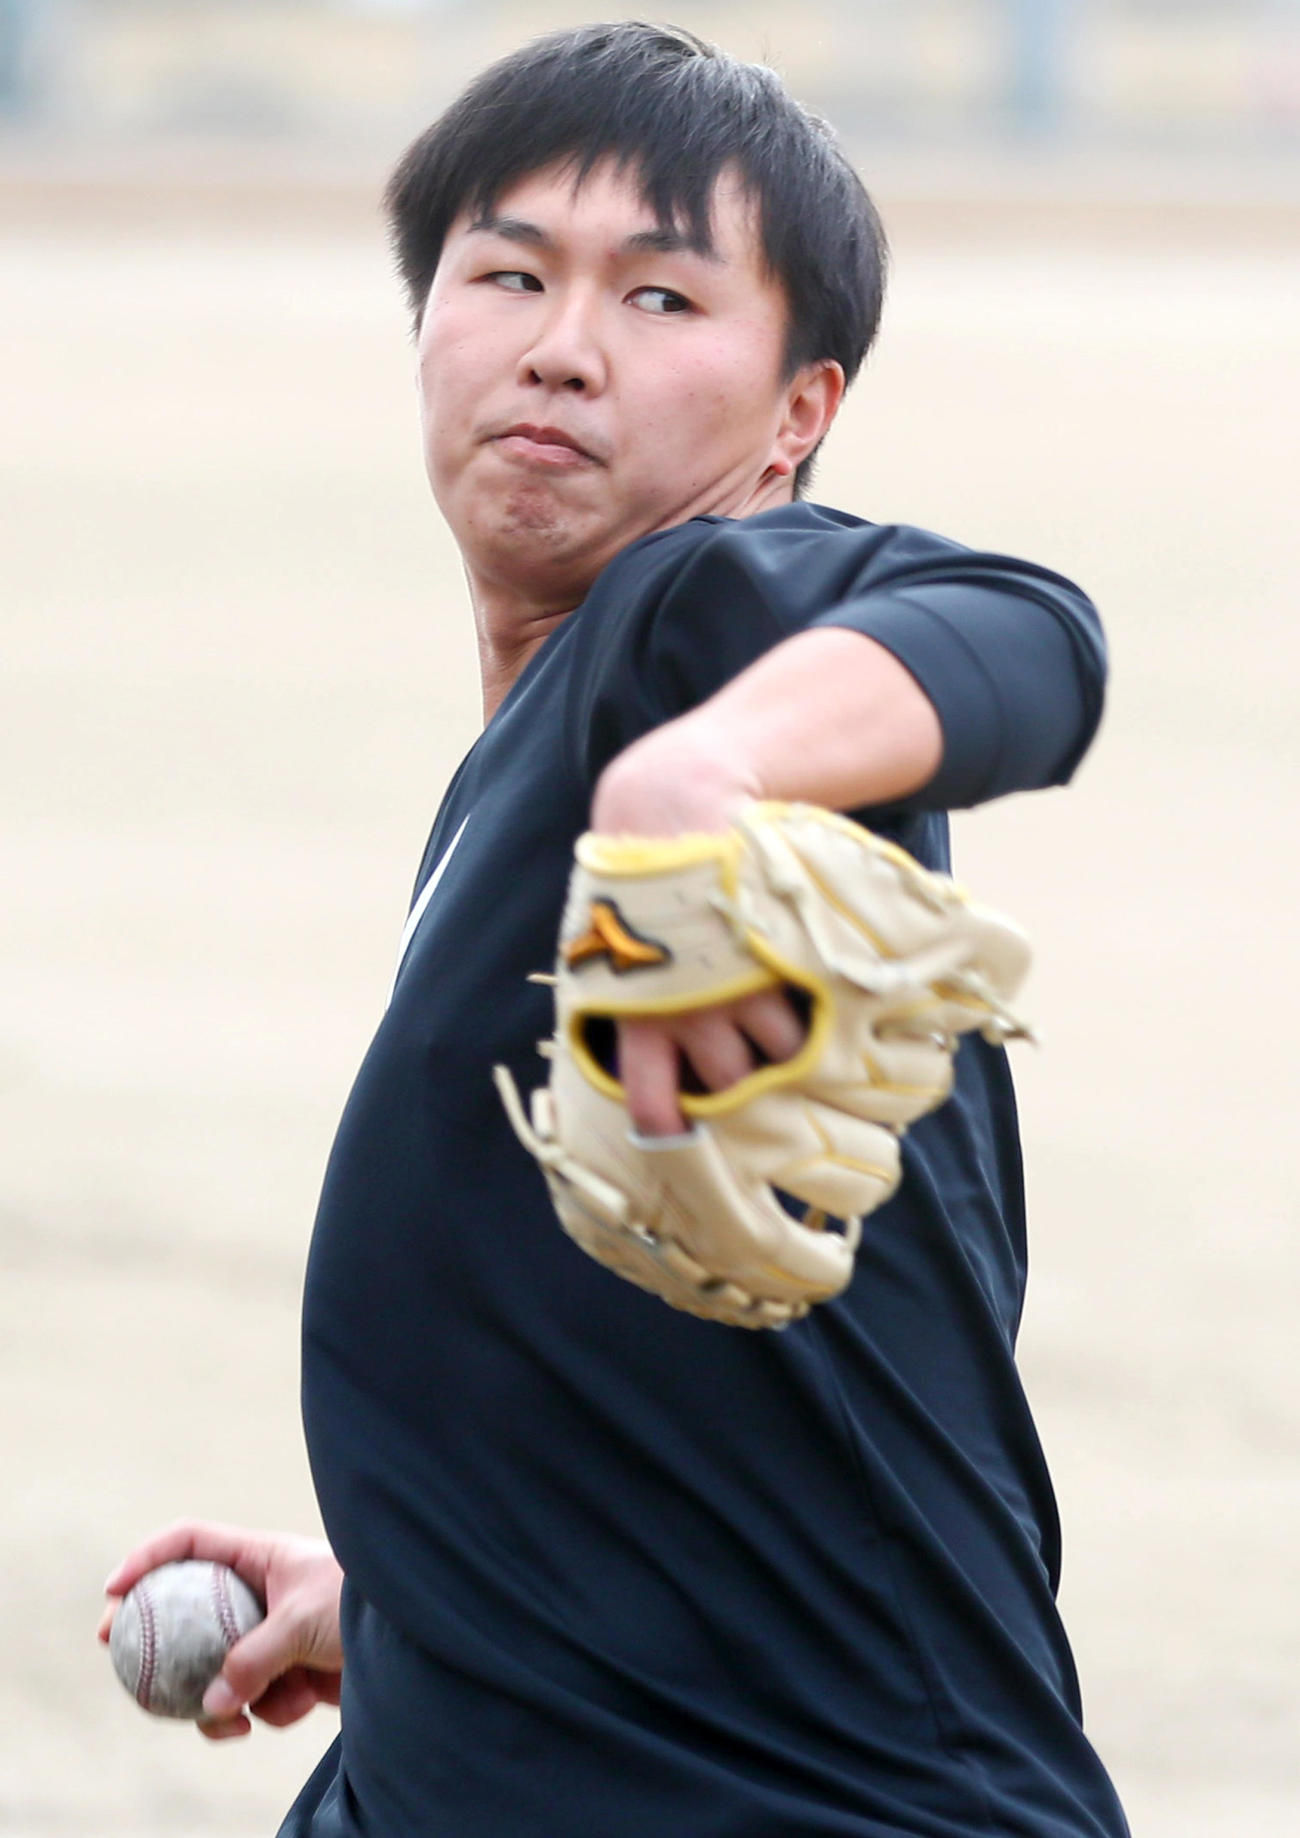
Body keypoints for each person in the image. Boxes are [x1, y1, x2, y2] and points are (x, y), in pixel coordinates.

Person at [101, 23, 1130, 1837]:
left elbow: (1030, 627)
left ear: (801, 413)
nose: (562, 345)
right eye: (506, 273)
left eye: (662, 299)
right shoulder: (525, 751)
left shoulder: (687, 624)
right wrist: (435, 1612)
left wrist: (714, 760)